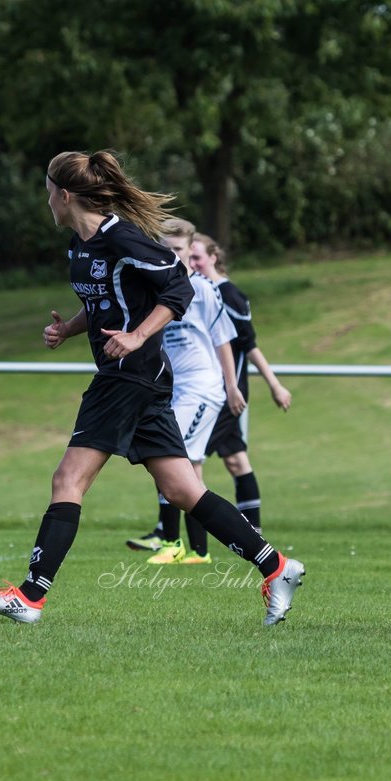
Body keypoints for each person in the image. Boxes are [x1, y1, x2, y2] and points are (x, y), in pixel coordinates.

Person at [0, 150, 304, 626]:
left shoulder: (121, 237)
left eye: (47, 192)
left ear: (64, 196)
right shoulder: (81, 247)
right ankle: (277, 567)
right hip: (140, 381)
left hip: (129, 378)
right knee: (185, 490)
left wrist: (138, 336)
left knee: (68, 480)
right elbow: (107, 304)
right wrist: (70, 330)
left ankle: (31, 595)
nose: (46, 202)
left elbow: (179, 287)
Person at [124, 219, 246, 566]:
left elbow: (223, 339)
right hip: (176, 390)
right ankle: (199, 551)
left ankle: (171, 541)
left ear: (191, 253)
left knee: (170, 459)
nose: (172, 255)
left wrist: (231, 385)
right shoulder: (156, 287)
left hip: (202, 388)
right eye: (165, 249)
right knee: (188, 468)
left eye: (178, 250)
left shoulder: (204, 289)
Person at [190, 232, 292, 533]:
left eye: (197, 257)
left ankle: (185, 544)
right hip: (213, 389)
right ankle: (255, 534)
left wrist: (275, 385)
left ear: (213, 257)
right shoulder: (198, 291)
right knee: (236, 460)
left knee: (183, 462)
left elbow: (249, 345)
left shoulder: (229, 295)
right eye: (189, 257)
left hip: (222, 394)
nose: (191, 263)